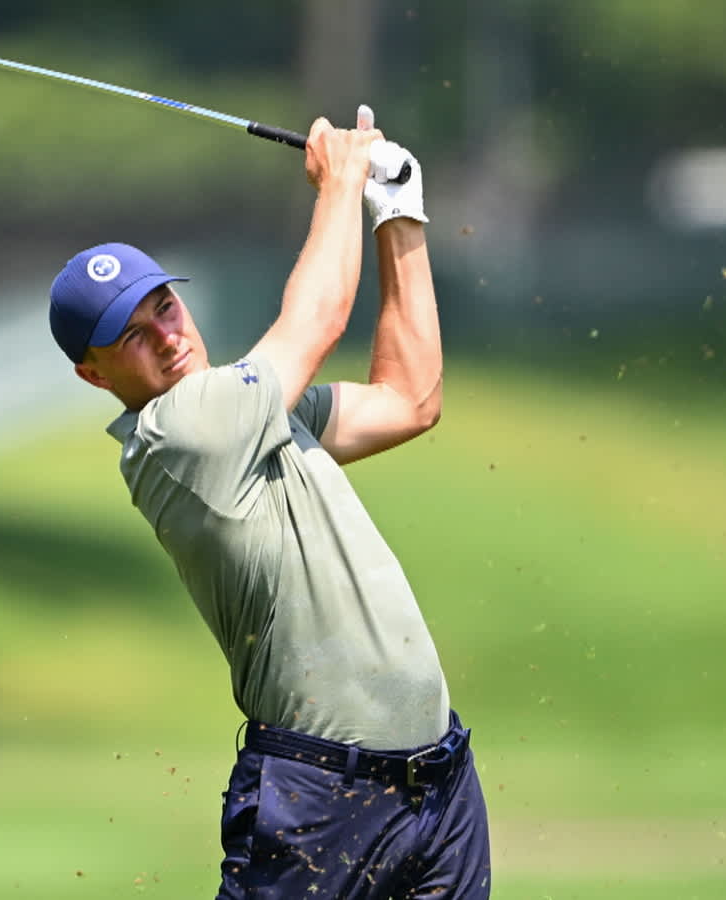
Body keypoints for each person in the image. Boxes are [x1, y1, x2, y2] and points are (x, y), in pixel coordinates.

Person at [47, 105, 490, 899]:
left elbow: (409, 398)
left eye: (165, 309)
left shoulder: (257, 417)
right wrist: (342, 181)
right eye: (134, 336)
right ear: (94, 374)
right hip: (321, 799)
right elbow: (316, 320)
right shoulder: (180, 432)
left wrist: (399, 213)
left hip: (439, 782)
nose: (169, 337)